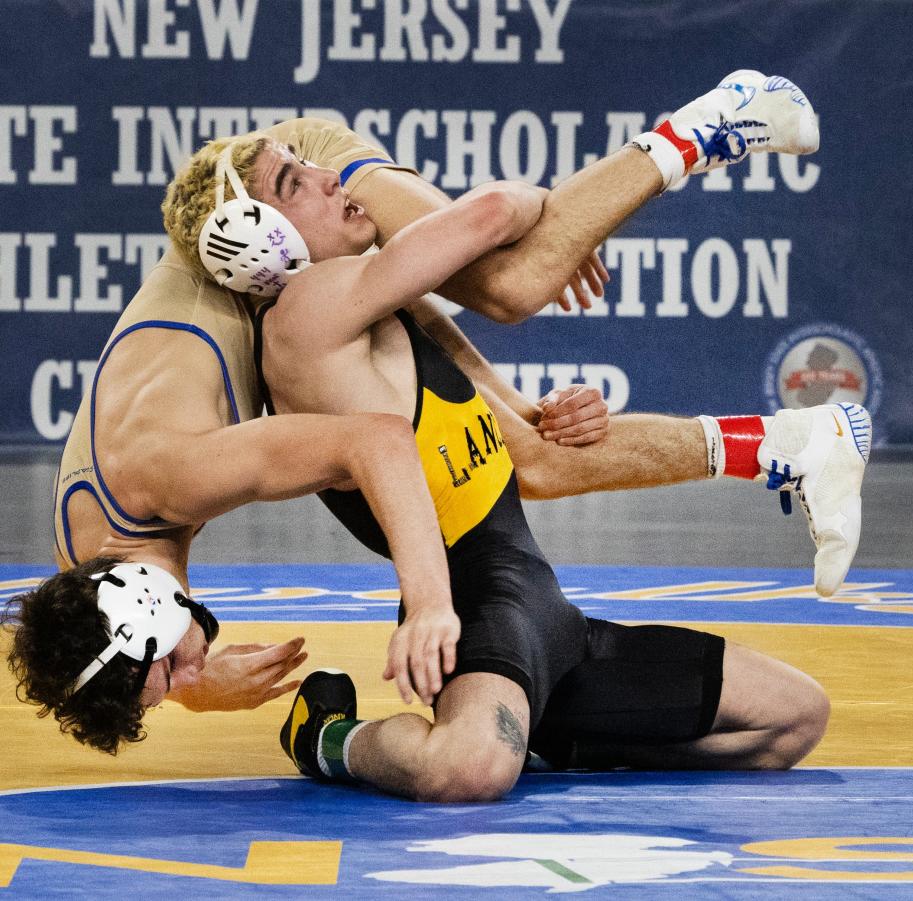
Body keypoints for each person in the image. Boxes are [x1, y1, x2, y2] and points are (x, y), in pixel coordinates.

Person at [158, 69, 860, 801]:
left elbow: (526, 446)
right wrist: (550, 221)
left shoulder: (387, 313)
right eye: (294, 181)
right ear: (255, 238)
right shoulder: (304, 315)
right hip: (471, 614)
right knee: (467, 768)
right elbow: (495, 212)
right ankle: (328, 736)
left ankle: (548, 740)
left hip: (546, 615)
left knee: (795, 720)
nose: (331, 177)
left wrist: (556, 410)